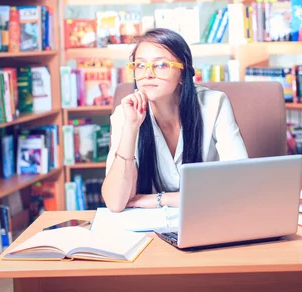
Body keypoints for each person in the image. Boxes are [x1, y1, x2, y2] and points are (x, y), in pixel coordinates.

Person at [102, 29, 249, 212]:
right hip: (149, 228)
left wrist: (160, 199)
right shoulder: (125, 114)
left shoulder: (214, 104)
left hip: (207, 217)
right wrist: (131, 128)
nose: (147, 74)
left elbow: (241, 185)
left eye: (161, 65)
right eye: (140, 66)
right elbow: (116, 203)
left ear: (183, 73)